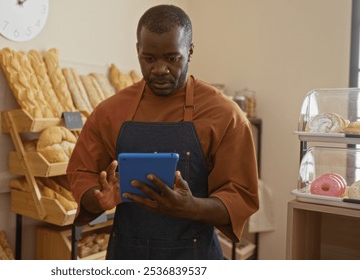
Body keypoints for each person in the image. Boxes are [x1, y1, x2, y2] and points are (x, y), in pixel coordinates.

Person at [66, 4, 259, 260]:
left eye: (172, 58)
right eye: (149, 58)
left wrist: (193, 207)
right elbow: (83, 174)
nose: (159, 69)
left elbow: (241, 196)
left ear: (189, 52)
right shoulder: (109, 111)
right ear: (137, 51)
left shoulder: (225, 115)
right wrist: (98, 199)